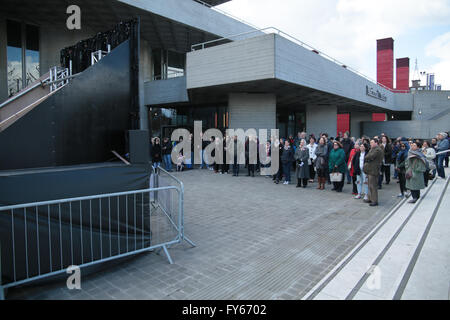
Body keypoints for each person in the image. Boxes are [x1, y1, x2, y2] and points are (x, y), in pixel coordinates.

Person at [364, 139, 384, 207]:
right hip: (370, 169)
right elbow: (368, 157)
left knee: (373, 186)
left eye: (372, 142)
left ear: (376, 143)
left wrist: (367, 157)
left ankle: (374, 200)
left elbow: (369, 156)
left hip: (374, 170)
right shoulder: (372, 149)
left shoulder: (377, 150)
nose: (370, 144)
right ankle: (370, 198)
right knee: (370, 185)